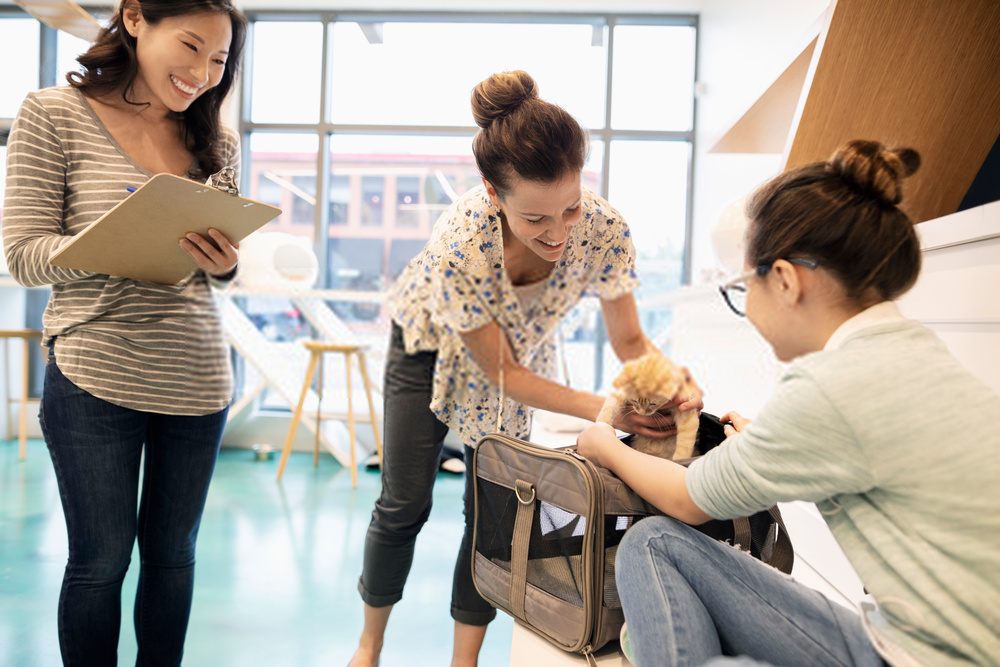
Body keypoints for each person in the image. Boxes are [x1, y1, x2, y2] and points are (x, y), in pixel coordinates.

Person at [577, 140, 1000, 666]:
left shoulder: (831, 387)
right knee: (653, 544)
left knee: (660, 556)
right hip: (907, 639)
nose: (745, 308)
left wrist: (603, 446)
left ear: (783, 280)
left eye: (740, 288)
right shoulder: (911, 349)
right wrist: (766, 445)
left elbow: (688, 497)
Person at [349, 70, 703, 667]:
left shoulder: (606, 230)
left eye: (569, 208)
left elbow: (630, 338)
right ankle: (369, 644)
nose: (559, 232)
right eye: (536, 219)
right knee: (404, 503)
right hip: (428, 348)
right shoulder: (461, 240)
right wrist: (609, 409)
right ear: (492, 193)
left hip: (514, 353)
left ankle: (464, 662)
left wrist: (667, 382)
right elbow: (502, 375)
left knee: (489, 516)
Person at [2, 1, 247, 664]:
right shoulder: (52, 113)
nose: (202, 72)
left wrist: (225, 265)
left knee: (173, 557)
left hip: (197, 375)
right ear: (136, 19)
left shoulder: (214, 142)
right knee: (100, 560)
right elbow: (22, 253)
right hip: (94, 374)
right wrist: (116, 241)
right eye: (191, 46)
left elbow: (215, 269)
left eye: (219, 61)